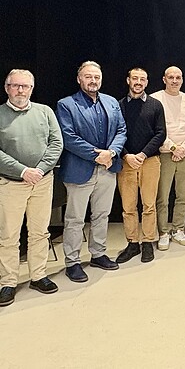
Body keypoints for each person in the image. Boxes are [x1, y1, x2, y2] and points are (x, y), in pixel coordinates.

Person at [56, 61, 127, 282]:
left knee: (101, 215)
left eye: (96, 77)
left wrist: (112, 152)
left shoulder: (111, 102)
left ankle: (98, 253)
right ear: (79, 79)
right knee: (75, 219)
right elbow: (68, 137)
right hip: (80, 170)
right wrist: (96, 155)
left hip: (107, 169)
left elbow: (121, 130)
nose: (93, 81)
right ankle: (73, 262)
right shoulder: (66, 104)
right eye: (88, 77)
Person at [0, 70, 63, 307]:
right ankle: (8, 282)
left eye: (25, 86)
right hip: (11, 184)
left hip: (42, 182)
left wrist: (39, 170)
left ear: (32, 89)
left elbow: (56, 143)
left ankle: (38, 276)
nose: (20, 90)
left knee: (40, 232)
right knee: (9, 236)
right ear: (6, 88)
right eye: (15, 85)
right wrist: (22, 171)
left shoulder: (45, 112)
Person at [115, 68, 166, 264]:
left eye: (142, 79)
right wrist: (126, 155)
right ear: (128, 80)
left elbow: (161, 133)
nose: (138, 82)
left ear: (147, 82)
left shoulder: (155, 105)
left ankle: (148, 242)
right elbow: (114, 133)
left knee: (149, 205)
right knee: (128, 206)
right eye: (135, 78)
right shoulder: (118, 106)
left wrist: (143, 154)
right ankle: (132, 243)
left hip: (150, 161)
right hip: (126, 161)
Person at [150, 66, 185, 251]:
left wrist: (183, 149)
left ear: (182, 80)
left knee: (183, 195)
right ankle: (163, 232)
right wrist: (173, 147)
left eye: (178, 77)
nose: (174, 81)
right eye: (171, 77)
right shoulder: (155, 99)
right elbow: (156, 129)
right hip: (164, 153)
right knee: (162, 197)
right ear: (164, 79)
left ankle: (178, 229)